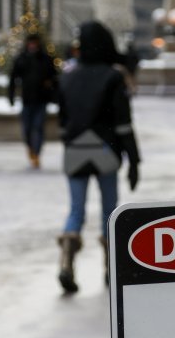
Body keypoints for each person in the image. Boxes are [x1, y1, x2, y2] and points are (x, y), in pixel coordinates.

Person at [56, 21, 141, 293]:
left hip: (74, 149)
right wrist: (134, 161)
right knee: (110, 212)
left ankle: (66, 260)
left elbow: (62, 119)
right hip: (104, 148)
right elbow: (123, 124)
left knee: (76, 210)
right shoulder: (112, 77)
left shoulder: (67, 75)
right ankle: (110, 269)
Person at [8, 33, 58, 169]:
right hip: (27, 100)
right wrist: (11, 96)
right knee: (27, 128)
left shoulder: (46, 59)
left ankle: (36, 153)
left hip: (41, 100)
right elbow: (13, 78)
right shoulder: (21, 59)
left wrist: (54, 96)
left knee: (38, 127)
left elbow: (54, 79)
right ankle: (31, 149)